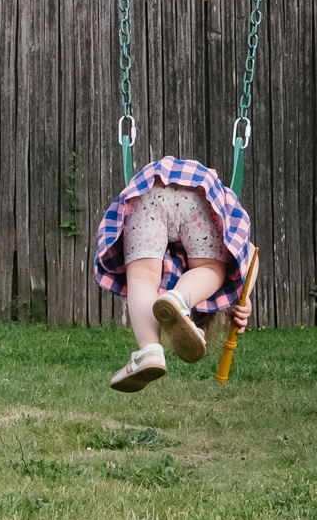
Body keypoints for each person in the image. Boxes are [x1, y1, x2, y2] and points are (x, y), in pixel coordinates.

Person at [92, 156, 256, 391]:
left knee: (143, 277)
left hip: (150, 189)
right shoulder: (200, 275)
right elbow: (251, 252)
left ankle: (149, 349)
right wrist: (244, 297)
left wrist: (244, 295)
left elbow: (250, 255)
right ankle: (178, 301)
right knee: (208, 269)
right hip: (201, 194)